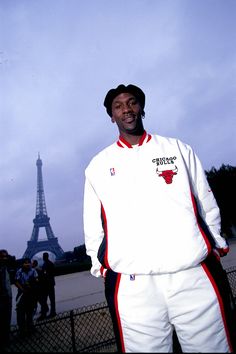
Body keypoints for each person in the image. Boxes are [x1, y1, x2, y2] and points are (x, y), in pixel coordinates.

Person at [83, 83, 236, 352]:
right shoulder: (98, 165)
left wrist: (215, 244)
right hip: (134, 287)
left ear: (141, 107)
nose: (126, 109)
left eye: (132, 102)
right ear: (111, 116)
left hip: (192, 276)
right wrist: (100, 264)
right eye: (118, 106)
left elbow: (204, 200)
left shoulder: (177, 149)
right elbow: (93, 222)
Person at [15, 257, 39, 336]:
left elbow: (36, 280)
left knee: (30, 311)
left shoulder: (33, 271)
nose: (27, 264)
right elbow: (16, 282)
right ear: (23, 264)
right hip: (23, 293)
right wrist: (22, 289)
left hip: (31, 293)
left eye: (29, 263)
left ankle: (30, 327)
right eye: (25, 263)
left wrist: (32, 285)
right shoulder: (19, 271)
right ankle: (22, 329)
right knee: (21, 312)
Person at [0, 249, 13, 349]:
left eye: (6, 257)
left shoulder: (7, 268)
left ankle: (6, 339)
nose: (4, 258)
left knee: (7, 319)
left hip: (8, 297)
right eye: (2, 257)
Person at [38, 252, 56, 320]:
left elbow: (46, 274)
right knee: (51, 300)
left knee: (44, 300)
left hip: (47, 285)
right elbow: (52, 273)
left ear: (44, 257)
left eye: (44, 256)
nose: (43, 257)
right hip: (50, 284)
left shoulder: (46, 264)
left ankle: (44, 314)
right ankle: (52, 312)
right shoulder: (50, 263)